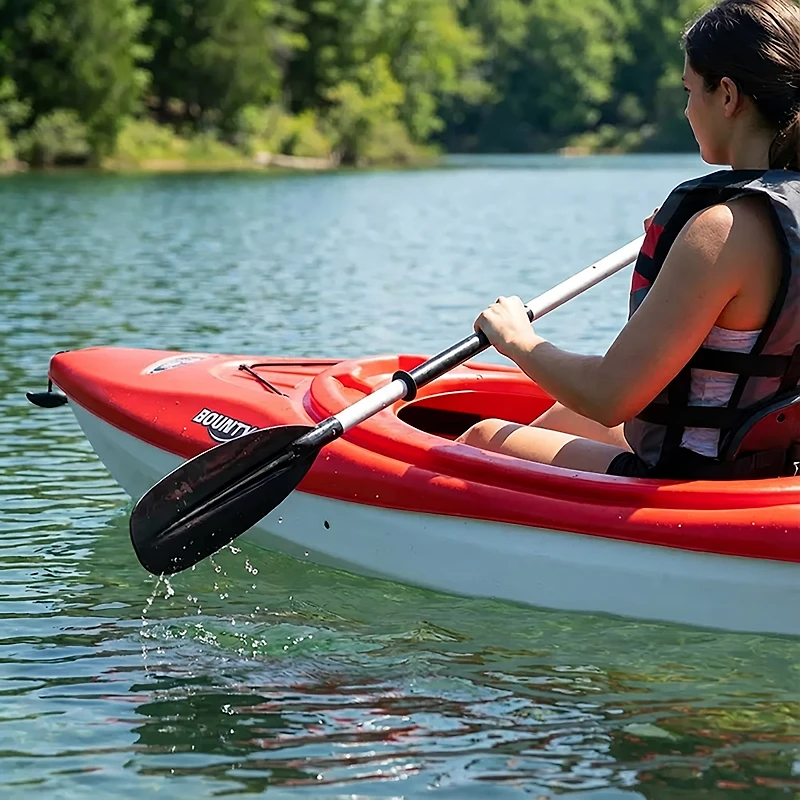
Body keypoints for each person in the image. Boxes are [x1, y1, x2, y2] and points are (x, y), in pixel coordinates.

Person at [457, 0, 800, 480]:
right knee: (563, 417)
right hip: (771, 464)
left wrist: (516, 339)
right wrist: (685, 251)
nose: (686, 109)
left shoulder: (723, 230)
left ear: (726, 95)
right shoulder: (745, 225)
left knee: (482, 438)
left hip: (697, 479)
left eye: (688, 90)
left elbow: (609, 396)